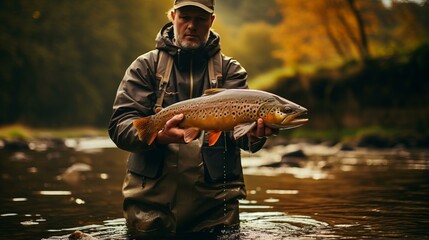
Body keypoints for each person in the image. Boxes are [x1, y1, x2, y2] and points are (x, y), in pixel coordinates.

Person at [108, 0, 277, 238]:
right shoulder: (145, 66)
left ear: (212, 21)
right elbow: (120, 126)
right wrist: (157, 136)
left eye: (200, 19)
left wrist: (254, 137)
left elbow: (241, 137)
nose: (191, 25)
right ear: (173, 16)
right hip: (150, 211)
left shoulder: (231, 71)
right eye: (185, 17)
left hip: (216, 212)